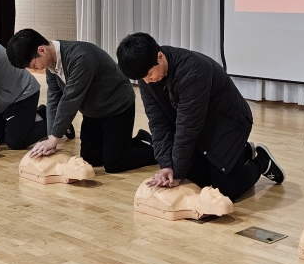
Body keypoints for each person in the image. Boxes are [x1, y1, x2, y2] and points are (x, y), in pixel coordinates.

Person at [115, 32, 284, 201]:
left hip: (229, 124)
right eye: (142, 78)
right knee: (198, 180)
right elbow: (158, 122)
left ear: (160, 57)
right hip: (201, 125)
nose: (147, 81)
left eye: (149, 75)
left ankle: (262, 161)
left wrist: (178, 172)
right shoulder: (147, 76)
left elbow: (187, 128)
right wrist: (166, 164)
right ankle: (244, 152)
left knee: (225, 191)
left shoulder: (193, 72)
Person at [6, 29, 156, 172]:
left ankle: (153, 149)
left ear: (42, 50)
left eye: (32, 65)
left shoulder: (81, 57)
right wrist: (52, 135)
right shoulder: (51, 65)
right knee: (91, 159)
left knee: (114, 163)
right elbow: (54, 100)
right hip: (93, 112)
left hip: (117, 106)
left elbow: (70, 99)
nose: (35, 69)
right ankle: (132, 142)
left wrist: (54, 139)